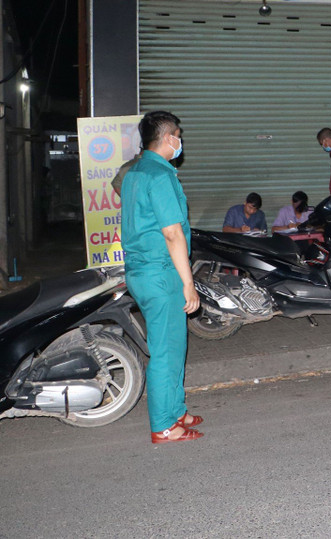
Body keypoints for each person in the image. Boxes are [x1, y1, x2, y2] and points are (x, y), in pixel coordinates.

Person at [120, 111, 203, 443]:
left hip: (142, 271)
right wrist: (188, 283)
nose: (180, 142)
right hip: (161, 273)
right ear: (168, 138)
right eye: (178, 135)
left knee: (174, 345)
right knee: (166, 351)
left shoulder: (134, 173)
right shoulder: (159, 176)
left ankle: (176, 410)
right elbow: (172, 233)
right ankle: (163, 426)